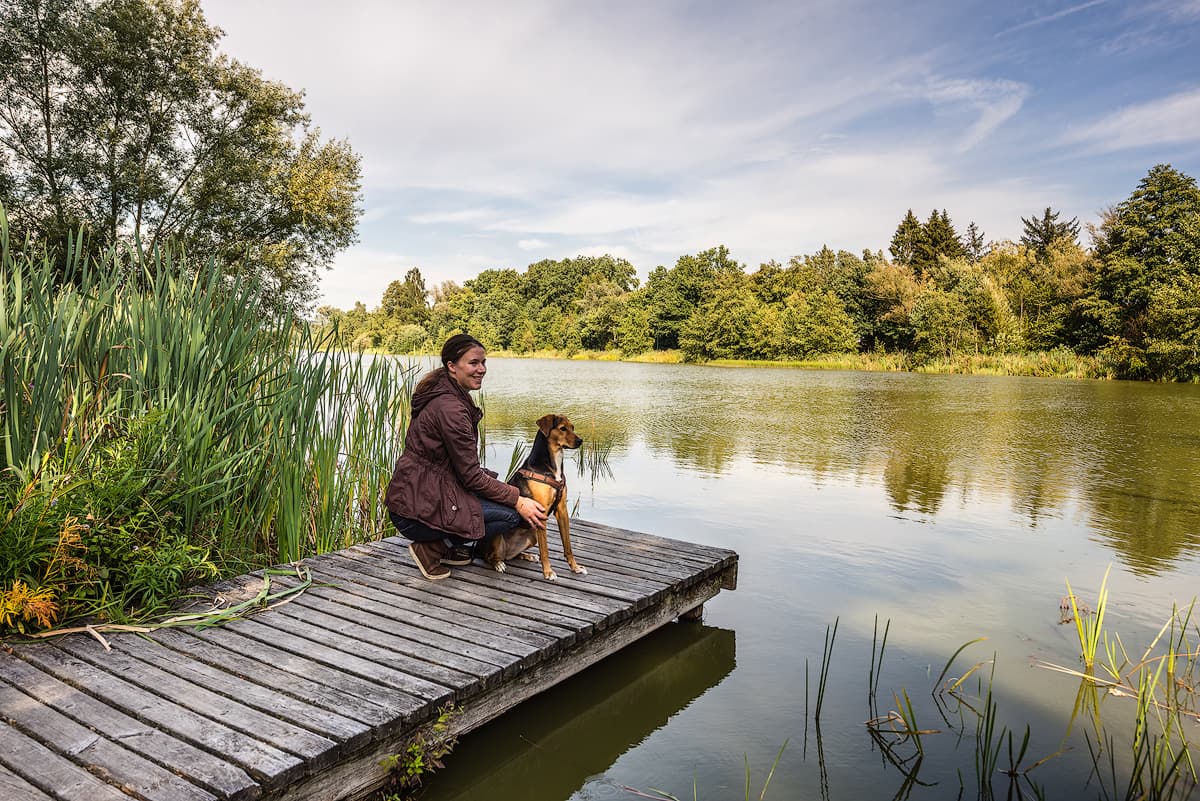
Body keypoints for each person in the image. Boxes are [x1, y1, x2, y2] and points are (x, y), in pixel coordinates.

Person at [385, 334, 548, 579]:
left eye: (483, 363)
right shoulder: (451, 409)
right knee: (511, 515)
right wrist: (518, 500)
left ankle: (450, 547)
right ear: (452, 366)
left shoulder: (448, 394)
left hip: (418, 498)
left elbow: (461, 471)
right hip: (416, 510)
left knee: (503, 500)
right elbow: (471, 477)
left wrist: (505, 492)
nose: (481, 369)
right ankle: (431, 549)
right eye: (473, 363)